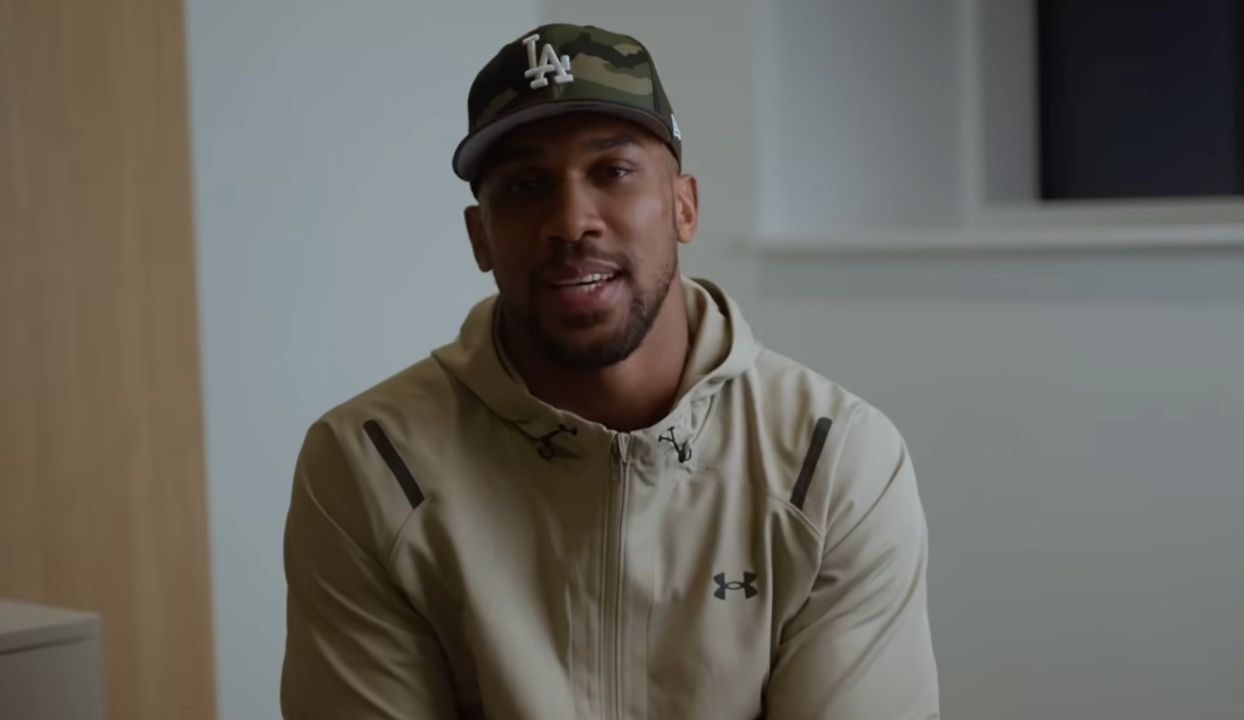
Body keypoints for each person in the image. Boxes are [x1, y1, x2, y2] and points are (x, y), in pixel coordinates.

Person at [280, 22, 939, 720]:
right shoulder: (373, 466)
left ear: (684, 206)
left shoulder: (832, 463)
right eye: (525, 185)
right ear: (480, 237)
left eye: (613, 172)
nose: (571, 221)